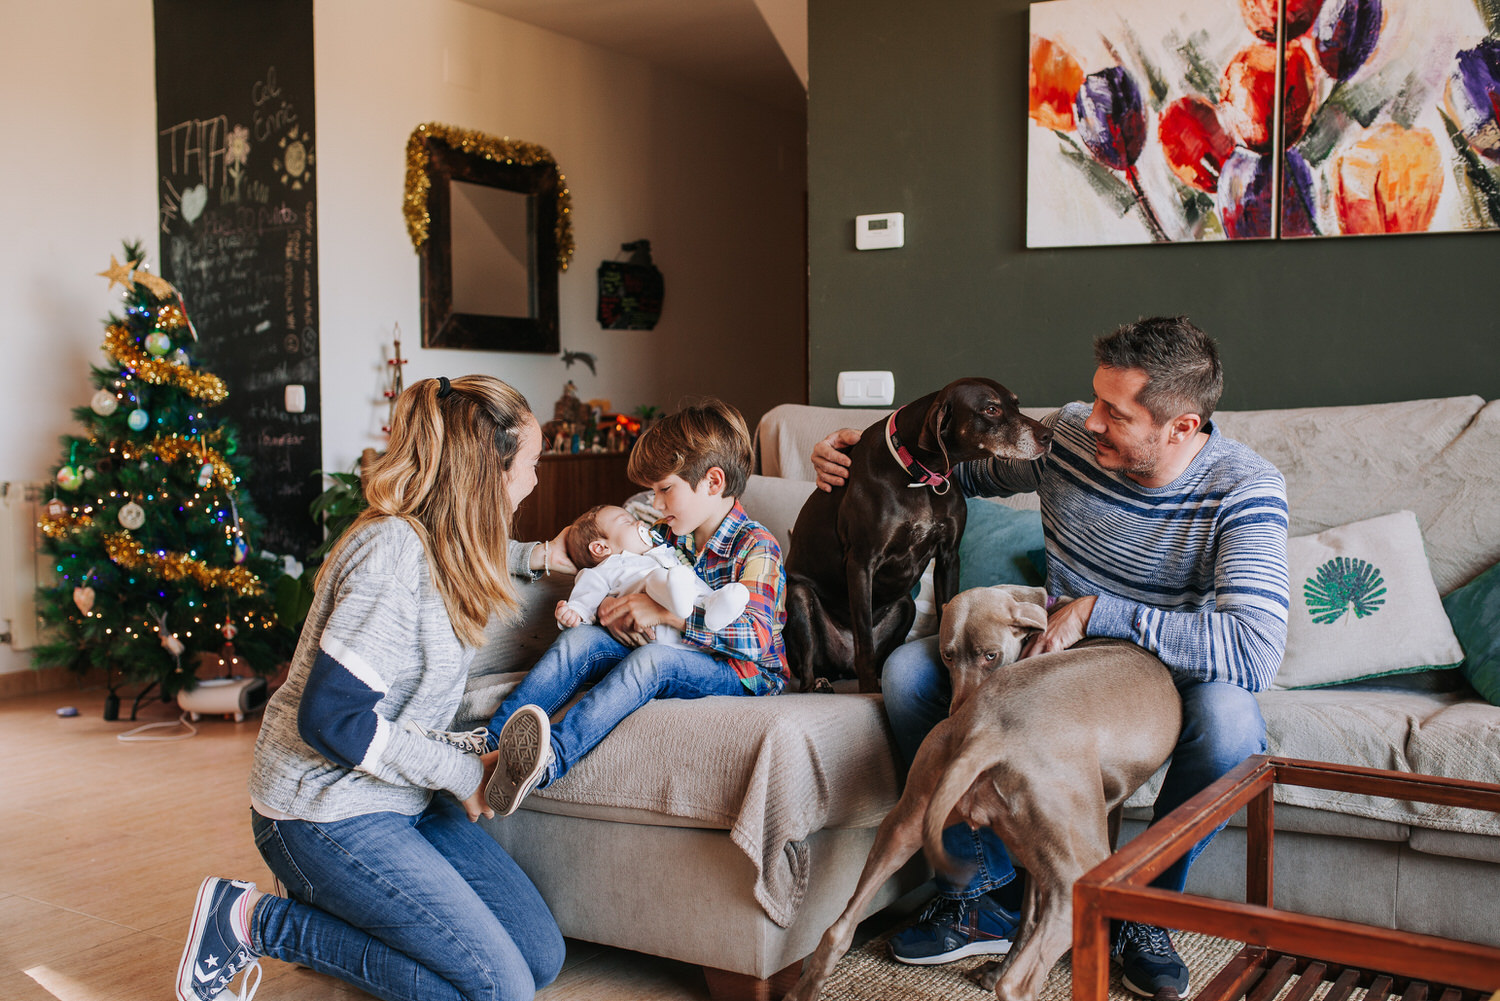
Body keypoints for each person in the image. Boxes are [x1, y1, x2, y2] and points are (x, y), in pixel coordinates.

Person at [811, 317, 1289, 999]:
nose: (1085, 420)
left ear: (1181, 427)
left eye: (1114, 413)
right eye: (1093, 398)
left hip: (1158, 682)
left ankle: (1141, 910)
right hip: (1048, 664)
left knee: (1234, 720)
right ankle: (985, 889)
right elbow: (953, 466)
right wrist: (855, 455)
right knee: (910, 674)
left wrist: (1098, 612)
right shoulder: (1067, 438)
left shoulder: (1244, 487)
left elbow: (1255, 648)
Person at [176, 375, 576, 1001]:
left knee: (540, 957)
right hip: (324, 808)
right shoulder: (391, 554)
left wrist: (554, 554)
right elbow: (333, 721)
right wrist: (461, 772)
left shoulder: (450, 546)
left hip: (401, 800)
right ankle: (254, 921)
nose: (533, 480)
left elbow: (495, 552)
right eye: (530, 464)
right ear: (484, 470)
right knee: (502, 993)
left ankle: (350, 908)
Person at [484, 399, 788, 819]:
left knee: (653, 662)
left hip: (739, 673)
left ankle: (548, 759)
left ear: (713, 482)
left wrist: (666, 615)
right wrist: (607, 604)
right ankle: (489, 743)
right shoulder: (664, 536)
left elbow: (756, 638)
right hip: (674, 646)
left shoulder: (756, 546)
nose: (657, 504)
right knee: (580, 642)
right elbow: (616, 570)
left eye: (665, 490)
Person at [557, 503, 750, 643]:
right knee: (659, 578)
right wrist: (575, 612)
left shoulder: (659, 550)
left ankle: (716, 606)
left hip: (689, 620)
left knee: (690, 582)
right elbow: (587, 596)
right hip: (659, 627)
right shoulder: (605, 569)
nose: (639, 523)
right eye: (627, 522)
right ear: (600, 548)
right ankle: (682, 598)